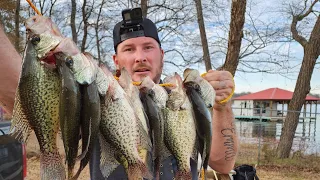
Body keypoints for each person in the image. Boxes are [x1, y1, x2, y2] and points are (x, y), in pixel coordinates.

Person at [0, 7, 238, 179]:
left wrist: (222, 105)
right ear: (116, 60)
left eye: (148, 47)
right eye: (129, 49)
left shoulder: (185, 99)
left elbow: (222, 164)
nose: (140, 57)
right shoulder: (98, 97)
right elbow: (26, 95)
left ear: (161, 56)